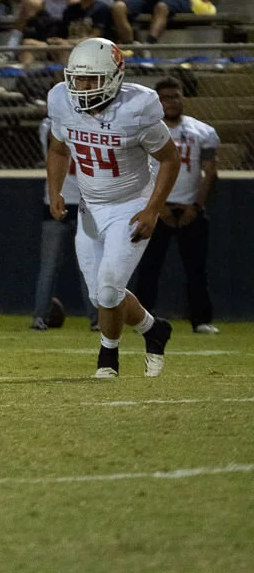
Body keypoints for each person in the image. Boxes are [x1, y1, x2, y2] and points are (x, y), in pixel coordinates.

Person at [46, 37, 180, 377]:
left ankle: (108, 358)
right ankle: (153, 329)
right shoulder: (62, 101)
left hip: (130, 204)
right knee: (101, 296)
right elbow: (58, 149)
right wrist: (55, 190)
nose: (82, 86)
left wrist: (152, 209)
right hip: (90, 207)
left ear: (114, 77)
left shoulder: (137, 108)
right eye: (78, 78)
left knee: (108, 290)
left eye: (91, 79)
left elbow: (170, 159)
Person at [132, 78, 220, 334]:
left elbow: (210, 171)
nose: (171, 102)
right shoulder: (145, 131)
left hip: (190, 207)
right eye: (165, 98)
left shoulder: (203, 131)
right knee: (149, 267)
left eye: (175, 96)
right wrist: (157, 207)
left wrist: (196, 205)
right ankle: (142, 319)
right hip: (156, 210)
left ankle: (201, 320)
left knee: (196, 269)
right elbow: (140, 171)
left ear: (183, 98)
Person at [32, 112, 95, 331]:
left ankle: (96, 319)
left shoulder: (54, 123)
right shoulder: (53, 124)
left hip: (79, 200)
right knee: (52, 265)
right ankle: (40, 315)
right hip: (60, 199)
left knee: (84, 265)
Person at [19, 0, 115, 64]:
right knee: (28, 44)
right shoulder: (70, 10)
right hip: (67, 46)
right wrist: (54, 40)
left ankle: (64, 73)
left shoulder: (101, 9)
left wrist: (68, 42)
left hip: (92, 52)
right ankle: (26, 72)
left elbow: (94, 38)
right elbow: (62, 34)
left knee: (62, 47)